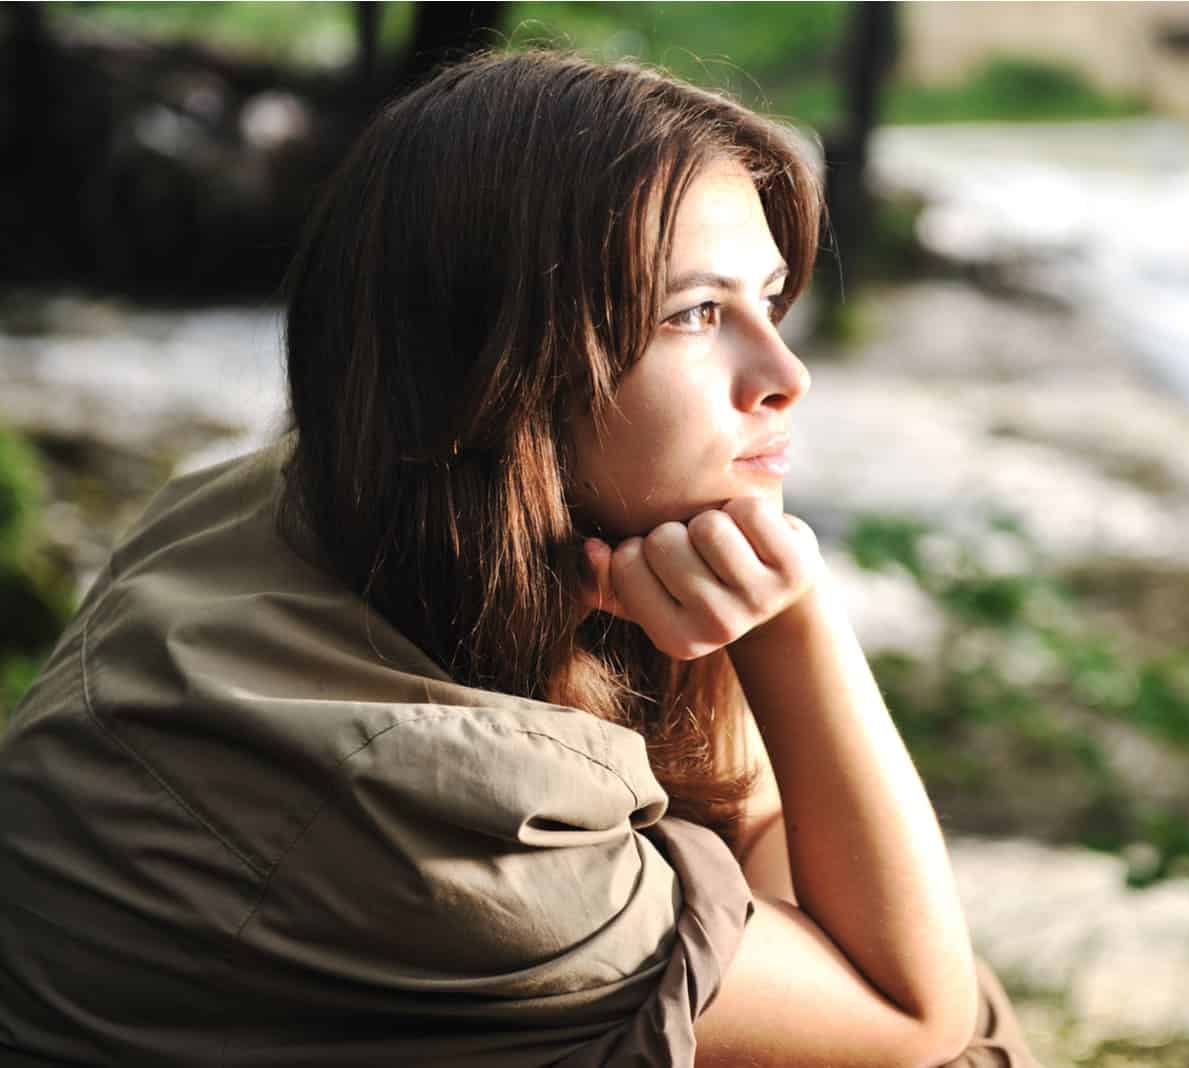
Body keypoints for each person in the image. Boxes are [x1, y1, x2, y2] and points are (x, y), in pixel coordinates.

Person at [0, 51, 1039, 1066]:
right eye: (694, 314)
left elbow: (780, 861)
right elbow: (913, 1019)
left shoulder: (294, 495)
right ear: (488, 370)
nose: (784, 374)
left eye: (769, 301)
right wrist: (786, 619)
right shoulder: (451, 813)